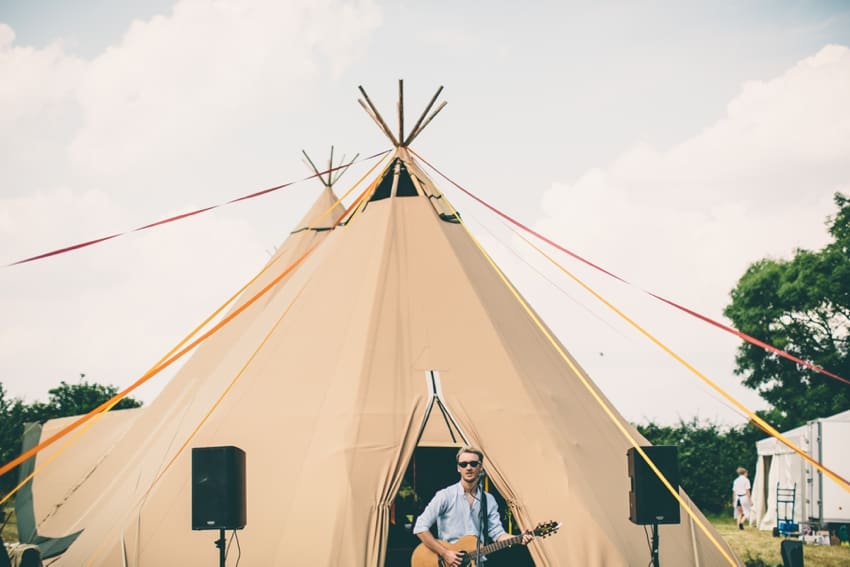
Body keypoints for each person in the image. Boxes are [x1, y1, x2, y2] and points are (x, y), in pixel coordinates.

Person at [412, 446, 532, 566]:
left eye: (473, 463)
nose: (468, 468)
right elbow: (420, 528)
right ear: (458, 468)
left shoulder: (488, 500)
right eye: (463, 464)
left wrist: (518, 538)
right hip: (447, 562)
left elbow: (498, 533)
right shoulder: (445, 496)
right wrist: (445, 553)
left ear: (480, 467)